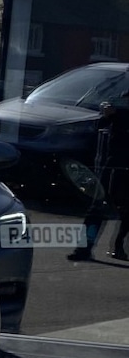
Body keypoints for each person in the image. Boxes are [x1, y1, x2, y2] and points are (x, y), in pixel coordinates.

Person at [69, 101, 129, 261]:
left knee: (122, 211)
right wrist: (108, 112)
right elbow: (100, 123)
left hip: (117, 164)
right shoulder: (121, 104)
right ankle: (84, 248)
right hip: (115, 165)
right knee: (98, 207)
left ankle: (119, 246)